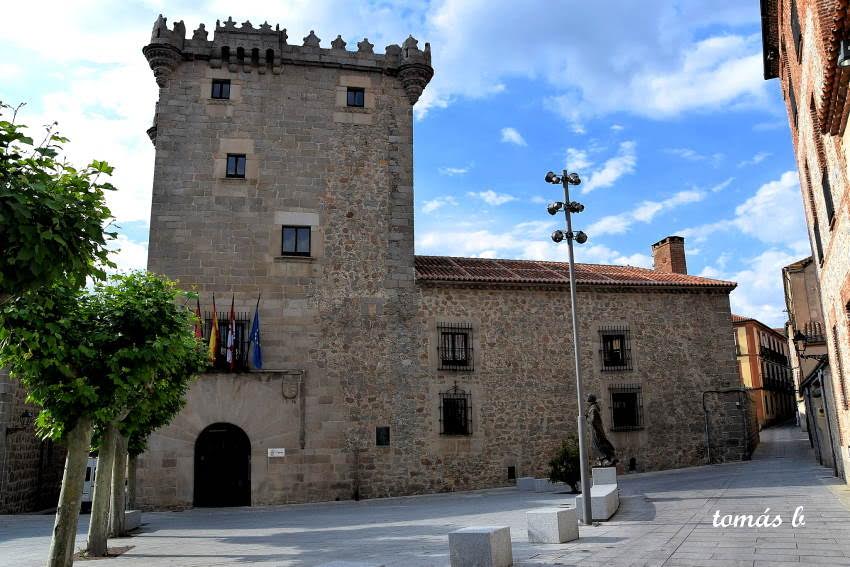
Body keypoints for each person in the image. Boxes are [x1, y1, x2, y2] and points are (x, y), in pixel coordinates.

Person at [587, 394, 617, 467]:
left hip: (596, 430)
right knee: (597, 445)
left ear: (590, 399)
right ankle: (602, 461)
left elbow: (593, 420)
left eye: (588, 397)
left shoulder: (593, 408)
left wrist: (587, 418)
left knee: (599, 445)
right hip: (596, 430)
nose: (587, 398)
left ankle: (611, 458)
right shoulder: (592, 407)